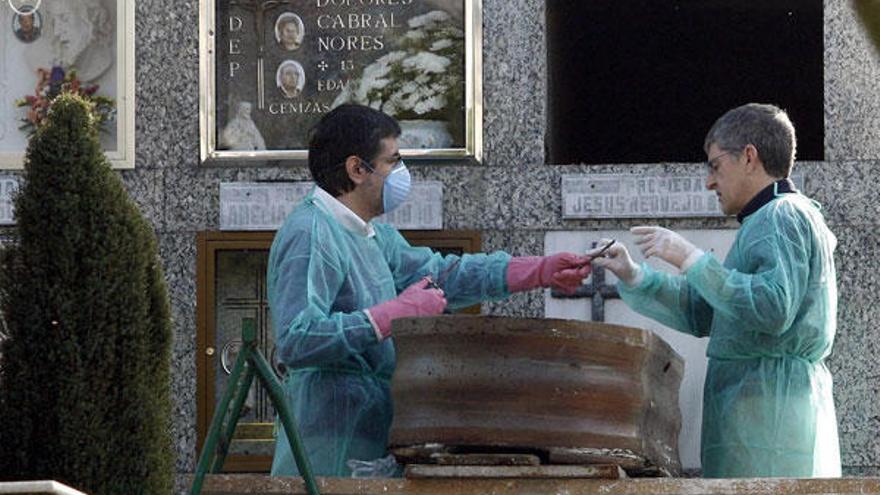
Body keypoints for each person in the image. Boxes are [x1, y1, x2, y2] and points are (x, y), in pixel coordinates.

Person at [268, 104, 593, 477]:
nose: (401, 173)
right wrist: (387, 317)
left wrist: (536, 270)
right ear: (357, 169)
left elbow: (442, 276)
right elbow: (296, 339)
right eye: (393, 160)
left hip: (369, 432)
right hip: (327, 442)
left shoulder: (370, 233)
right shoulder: (311, 232)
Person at [591, 103, 840, 478]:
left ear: (749, 157)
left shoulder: (782, 216)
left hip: (769, 419)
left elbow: (771, 308)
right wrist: (635, 276)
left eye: (714, 165)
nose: (709, 182)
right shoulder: (766, 220)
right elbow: (709, 310)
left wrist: (689, 256)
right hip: (759, 412)